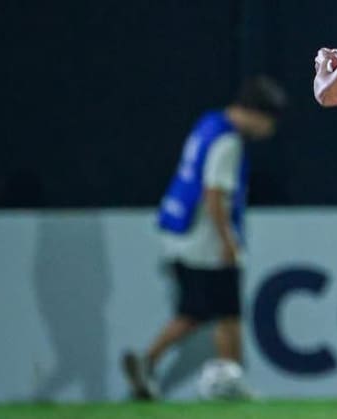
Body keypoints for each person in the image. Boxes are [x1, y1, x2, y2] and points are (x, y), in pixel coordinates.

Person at [121, 75, 287, 401]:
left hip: (182, 230)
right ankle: (223, 379)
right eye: (270, 122)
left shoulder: (209, 124)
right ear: (257, 113)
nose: (269, 131)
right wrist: (228, 241)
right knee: (220, 310)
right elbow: (214, 194)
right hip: (206, 239)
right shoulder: (229, 142)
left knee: (207, 311)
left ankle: (154, 363)